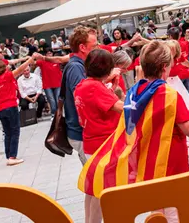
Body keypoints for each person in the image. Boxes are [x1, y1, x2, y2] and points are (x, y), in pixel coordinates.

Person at [78, 41, 189, 223]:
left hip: (148, 164)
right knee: (174, 213)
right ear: (164, 67)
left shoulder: (135, 91)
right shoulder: (168, 94)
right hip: (170, 164)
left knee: (158, 212)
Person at [74, 49, 126, 223]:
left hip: (91, 141)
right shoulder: (95, 87)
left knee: (92, 190)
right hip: (103, 144)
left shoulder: (83, 85)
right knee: (101, 191)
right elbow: (121, 108)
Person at [0, 56, 34, 166]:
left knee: (7, 133)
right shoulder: (7, 76)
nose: (7, 67)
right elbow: (20, 69)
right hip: (11, 106)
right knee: (15, 131)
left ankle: (9, 155)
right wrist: (30, 60)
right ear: (2, 68)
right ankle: (12, 157)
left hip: (0, 109)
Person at [63, 26, 99, 164]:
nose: (97, 49)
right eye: (94, 46)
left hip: (81, 131)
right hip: (81, 132)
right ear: (83, 47)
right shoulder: (76, 67)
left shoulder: (78, 65)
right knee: (93, 173)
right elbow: (82, 97)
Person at [33, 50, 63, 115]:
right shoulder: (42, 61)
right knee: (51, 101)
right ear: (45, 55)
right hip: (47, 85)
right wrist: (34, 56)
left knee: (58, 100)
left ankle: (59, 115)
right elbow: (33, 63)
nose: (49, 54)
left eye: (50, 53)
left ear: (52, 54)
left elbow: (64, 60)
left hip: (58, 84)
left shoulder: (56, 60)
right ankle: (53, 115)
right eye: (48, 53)